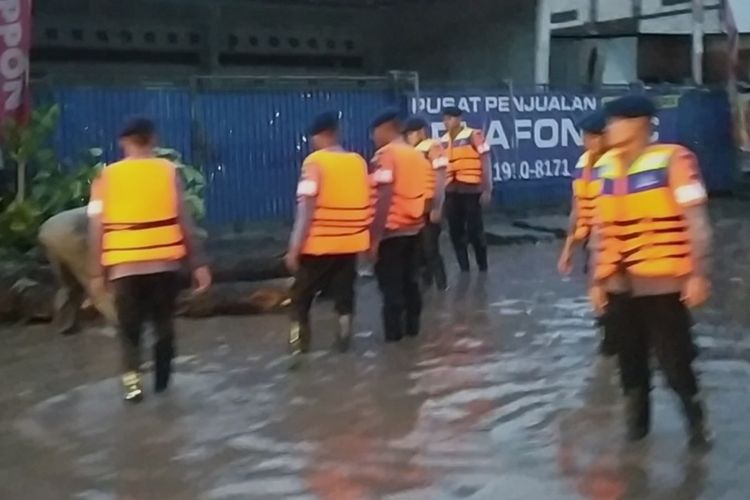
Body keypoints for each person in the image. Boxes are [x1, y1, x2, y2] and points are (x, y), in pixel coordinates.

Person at [588, 95, 712, 449]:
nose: (608, 128)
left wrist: (698, 273)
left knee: (675, 362)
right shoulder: (605, 166)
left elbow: (697, 223)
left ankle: (697, 427)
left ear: (638, 123)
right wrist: (597, 280)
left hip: (662, 283)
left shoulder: (675, 160)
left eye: (614, 122)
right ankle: (636, 437)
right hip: (618, 284)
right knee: (630, 365)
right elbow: (600, 230)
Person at [88, 117, 211, 403]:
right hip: (165, 265)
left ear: (123, 142)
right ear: (153, 139)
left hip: (124, 268)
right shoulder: (169, 172)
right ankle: (163, 385)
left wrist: (96, 272)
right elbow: (185, 221)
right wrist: (199, 264)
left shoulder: (105, 177)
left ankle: (132, 386)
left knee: (129, 329)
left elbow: (96, 227)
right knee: (163, 325)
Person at [285, 112, 373, 357]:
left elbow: (306, 208)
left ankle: (298, 346)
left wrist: (294, 248)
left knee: (300, 295)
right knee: (345, 293)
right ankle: (344, 338)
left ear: (321, 135)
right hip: (351, 243)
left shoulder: (314, 163)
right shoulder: (358, 161)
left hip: (319, 245)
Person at [556, 110, 618, 358]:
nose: (586, 142)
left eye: (592, 137)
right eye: (585, 137)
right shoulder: (584, 163)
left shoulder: (619, 162)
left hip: (620, 238)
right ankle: (608, 337)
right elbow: (577, 209)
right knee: (598, 290)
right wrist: (567, 249)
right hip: (593, 240)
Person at [370, 109, 427, 342]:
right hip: (415, 228)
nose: (373, 137)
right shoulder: (416, 155)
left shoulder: (386, 155)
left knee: (391, 288)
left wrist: (374, 237)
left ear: (386, 129)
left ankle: (394, 341)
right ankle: (413, 333)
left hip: (391, 231)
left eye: (374, 132)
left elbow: (383, 196)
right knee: (411, 282)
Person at [39, 207, 117, 336]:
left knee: (68, 283)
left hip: (49, 229)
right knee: (97, 285)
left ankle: (65, 325)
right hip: (72, 231)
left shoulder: (97, 207)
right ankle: (120, 326)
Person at [440, 106, 492, 272]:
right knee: (455, 232)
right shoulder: (442, 141)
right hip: (451, 191)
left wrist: (487, 188)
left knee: (475, 231)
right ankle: (464, 269)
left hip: (471, 189)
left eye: (450, 118)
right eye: (445, 119)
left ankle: (482, 267)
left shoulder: (473, 135)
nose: (447, 122)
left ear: (459, 119)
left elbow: (486, 161)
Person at [403, 115, 448, 291]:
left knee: (431, 249)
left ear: (421, 132)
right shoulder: (410, 151)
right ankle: (426, 286)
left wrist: (437, 206)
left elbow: (440, 177)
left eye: (411, 134)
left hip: (430, 205)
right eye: (407, 135)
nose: (408, 137)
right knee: (418, 251)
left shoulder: (433, 147)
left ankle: (442, 287)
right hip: (415, 208)